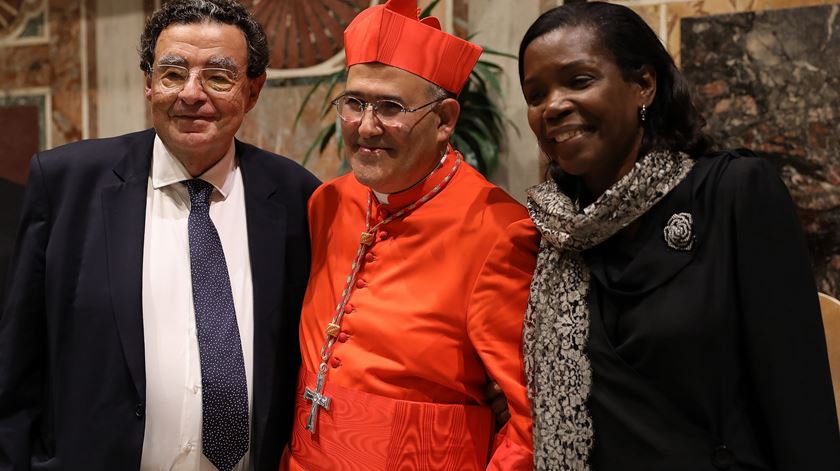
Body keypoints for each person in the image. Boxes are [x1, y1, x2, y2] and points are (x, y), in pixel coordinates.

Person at [517, 2, 840, 470]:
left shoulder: (733, 192)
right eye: (535, 94)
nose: (553, 106)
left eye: (579, 80)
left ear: (643, 85)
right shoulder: (553, 232)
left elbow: (797, 397)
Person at [0, 1, 319, 469]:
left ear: (253, 90)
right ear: (149, 83)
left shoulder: (296, 198)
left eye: (218, 76)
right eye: (173, 73)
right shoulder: (66, 183)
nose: (192, 94)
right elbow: (17, 366)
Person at [282, 0, 538, 469]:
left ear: (445, 120)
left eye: (391, 107)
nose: (366, 126)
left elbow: (530, 418)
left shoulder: (499, 230)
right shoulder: (329, 203)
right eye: (354, 102)